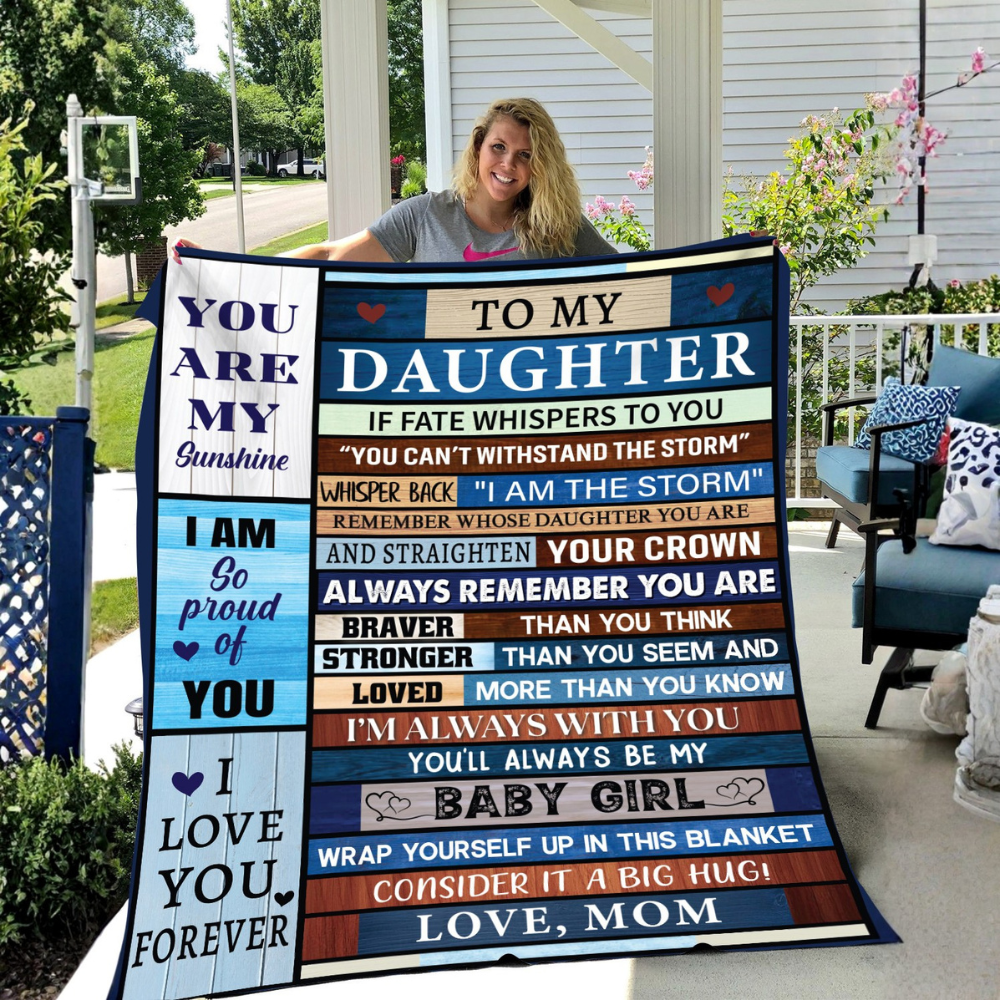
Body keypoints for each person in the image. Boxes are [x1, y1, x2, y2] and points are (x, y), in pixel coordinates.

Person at [174, 98, 615, 264]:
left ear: (540, 166)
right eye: (498, 147)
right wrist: (226, 264)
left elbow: (633, 282)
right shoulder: (425, 216)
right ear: (478, 147)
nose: (508, 163)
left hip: (529, 409)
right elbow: (330, 254)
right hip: (440, 403)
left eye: (525, 155)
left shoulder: (559, 225)